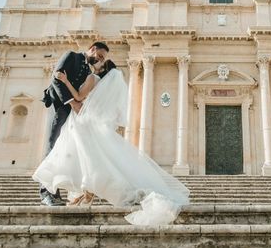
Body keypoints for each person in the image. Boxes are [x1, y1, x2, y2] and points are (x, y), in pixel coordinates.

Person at [33, 53, 190, 225]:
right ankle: (78, 194)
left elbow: (78, 98)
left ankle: (60, 190)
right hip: (90, 122)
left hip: (82, 120)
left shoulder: (92, 78)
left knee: (75, 155)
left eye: (101, 60)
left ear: (102, 68)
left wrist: (66, 81)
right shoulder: (102, 82)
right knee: (90, 158)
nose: (97, 62)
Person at [39, 42, 111, 206]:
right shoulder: (71, 56)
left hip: (72, 111)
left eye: (102, 58)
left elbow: (79, 92)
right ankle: (46, 192)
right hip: (59, 106)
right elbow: (56, 79)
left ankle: (55, 193)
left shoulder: (88, 69)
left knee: (62, 150)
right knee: (52, 146)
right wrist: (72, 103)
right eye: (99, 56)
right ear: (92, 49)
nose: (99, 60)